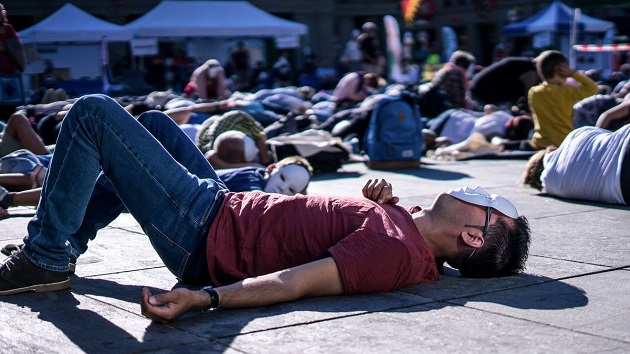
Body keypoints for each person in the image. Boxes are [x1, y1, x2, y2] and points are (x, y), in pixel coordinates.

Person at [0, 95, 531, 324]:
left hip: (207, 230)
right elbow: (351, 226)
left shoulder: (391, 253)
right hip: (226, 205)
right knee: (159, 124)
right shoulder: (411, 233)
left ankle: (45, 257)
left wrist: (203, 297)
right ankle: (66, 245)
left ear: (474, 238)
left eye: (492, 206)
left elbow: (292, 283)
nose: (483, 194)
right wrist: (378, 200)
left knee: (94, 114)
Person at [522, 123, 630, 205]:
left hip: (624, 189)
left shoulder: (552, 187)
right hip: (625, 146)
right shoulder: (573, 136)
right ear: (552, 149)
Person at [528, 50, 598, 149]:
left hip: (540, 143)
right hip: (563, 142)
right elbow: (593, 88)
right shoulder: (566, 92)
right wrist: (573, 73)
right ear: (559, 69)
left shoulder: (533, 92)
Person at [217, 155, 313, 195]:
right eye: (282, 178)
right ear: (271, 169)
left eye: (291, 190)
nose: (282, 187)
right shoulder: (251, 177)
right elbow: (257, 201)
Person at [468, 57, 540, 108]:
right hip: (484, 94)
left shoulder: (523, 63)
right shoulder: (530, 68)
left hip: (478, 91)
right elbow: (530, 94)